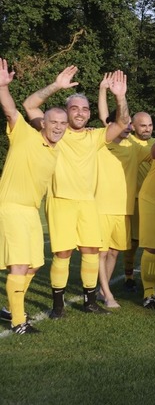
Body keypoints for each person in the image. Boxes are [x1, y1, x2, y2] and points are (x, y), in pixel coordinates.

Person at [23, 65, 130, 318]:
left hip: (88, 203)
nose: (80, 113)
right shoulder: (54, 130)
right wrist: (56, 86)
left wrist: (120, 95)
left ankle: (90, 302)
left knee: (92, 252)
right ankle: (58, 307)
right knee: (63, 254)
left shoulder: (95, 137)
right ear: (66, 112)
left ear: (89, 113)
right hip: (61, 201)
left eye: (84, 109)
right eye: (74, 108)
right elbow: (29, 106)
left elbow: (123, 122)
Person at [0, 58, 68, 333]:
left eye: (63, 123)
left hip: (30, 211)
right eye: (54, 122)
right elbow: (11, 108)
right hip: (11, 207)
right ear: (43, 123)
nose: (59, 127)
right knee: (19, 266)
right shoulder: (25, 135)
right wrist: (3, 86)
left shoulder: (55, 149)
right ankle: (19, 321)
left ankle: (10, 308)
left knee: (35, 265)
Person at [95, 72, 151, 308]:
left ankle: (101, 288)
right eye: (124, 124)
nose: (127, 126)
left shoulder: (135, 147)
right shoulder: (102, 142)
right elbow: (105, 117)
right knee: (101, 252)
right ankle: (107, 293)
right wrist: (102, 91)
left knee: (115, 253)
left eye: (129, 125)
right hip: (102, 206)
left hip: (124, 207)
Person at [121, 111, 155, 292]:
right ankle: (128, 277)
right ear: (133, 126)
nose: (147, 129)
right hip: (134, 200)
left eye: (150, 125)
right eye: (143, 125)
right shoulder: (128, 142)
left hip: (154, 202)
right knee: (133, 242)